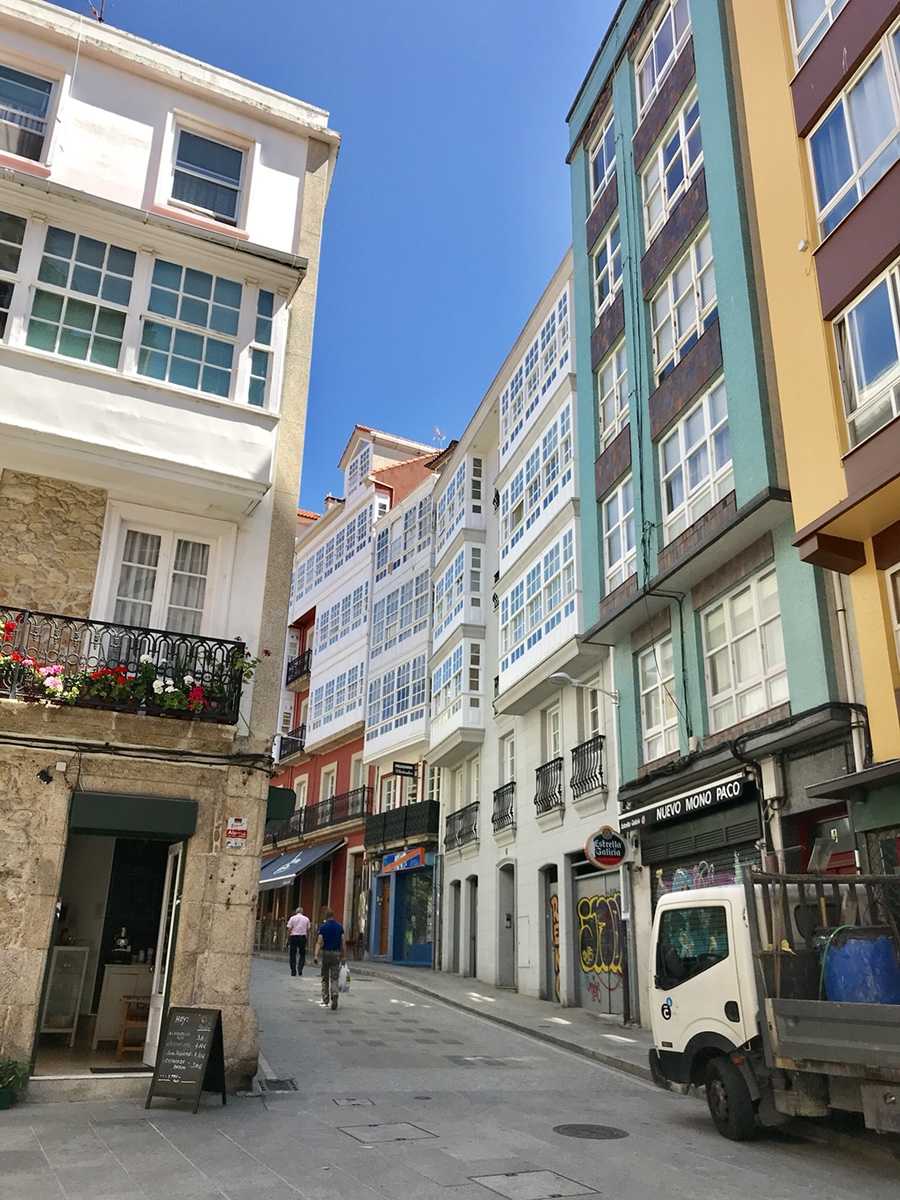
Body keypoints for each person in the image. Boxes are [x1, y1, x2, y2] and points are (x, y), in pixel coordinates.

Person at [313, 907, 345, 1010]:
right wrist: (343, 956)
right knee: (334, 977)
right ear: (333, 916)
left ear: (326, 916)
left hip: (326, 954)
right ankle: (335, 993)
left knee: (325, 977)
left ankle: (325, 998)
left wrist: (316, 955)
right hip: (336, 954)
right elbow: (343, 942)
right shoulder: (339, 927)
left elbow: (319, 942)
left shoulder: (323, 927)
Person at [286, 905, 310, 977]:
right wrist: (307, 938)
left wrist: (288, 938)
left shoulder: (292, 918)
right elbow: (308, 930)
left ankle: (293, 971)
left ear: (296, 912)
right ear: (302, 912)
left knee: (292, 954)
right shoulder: (306, 919)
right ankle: (300, 969)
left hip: (294, 937)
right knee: (302, 954)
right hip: (302, 937)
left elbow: (289, 929)